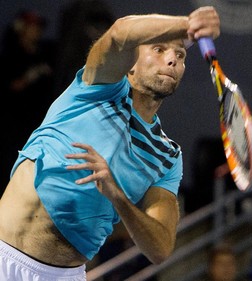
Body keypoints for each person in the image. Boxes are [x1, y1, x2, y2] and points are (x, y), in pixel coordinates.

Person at [0, 6, 220, 281]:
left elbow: (161, 248)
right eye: (159, 50)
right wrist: (187, 24)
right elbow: (119, 34)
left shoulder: (167, 156)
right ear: (130, 64)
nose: (172, 60)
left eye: (180, 54)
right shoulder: (96, 88)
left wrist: (117, 195)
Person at [0, 10, 56, 194]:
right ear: (21, 28)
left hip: (38, 122)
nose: (37, 31)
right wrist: (31, 76)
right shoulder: (11, 55)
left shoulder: (45, 53)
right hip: (14, 124)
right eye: (33, 26)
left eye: (39, 27)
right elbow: (12, 86)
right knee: (11, 166)